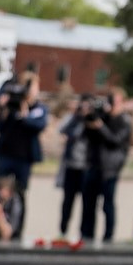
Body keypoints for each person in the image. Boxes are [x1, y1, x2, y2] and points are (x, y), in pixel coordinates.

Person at [0, 66, 47, 234]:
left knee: (20, 194)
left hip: (24, 157)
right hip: (5, 153)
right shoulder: (10, 105)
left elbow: (38, 125)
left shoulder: (38, 108)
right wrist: (4, 110)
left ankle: (17, 231)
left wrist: (24, 113)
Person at [86, 86, 131, 244]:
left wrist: (101, 126)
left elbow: (115, 141)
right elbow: (88, 135)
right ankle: (87, 236)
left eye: (116, 101)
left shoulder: (124, 120)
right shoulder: (102, 116)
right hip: (94, 165)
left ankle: (108, 237)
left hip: (110, 169)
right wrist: (90, 117)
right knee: (88, 205)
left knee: (108, 205)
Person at [56, 95, 98, 240]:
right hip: (71, 166)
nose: (85, 110)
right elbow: (62, 130)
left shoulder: (95, 120)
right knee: (68, 201)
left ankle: (85, 234)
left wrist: (91, 119)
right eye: (83, 106)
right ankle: (63, 230)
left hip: (87, 167)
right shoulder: (74, 119)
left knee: (87, 203)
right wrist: (76, 116)